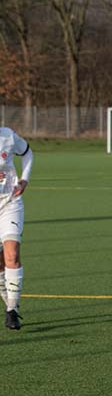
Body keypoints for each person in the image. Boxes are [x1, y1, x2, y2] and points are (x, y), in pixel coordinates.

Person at [0, 126, 31, 330]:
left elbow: (28, 153)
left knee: (11, 254)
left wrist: (24, 179)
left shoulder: (7, 136)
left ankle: (12, 311)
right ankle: (10, 301)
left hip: (9, 203)